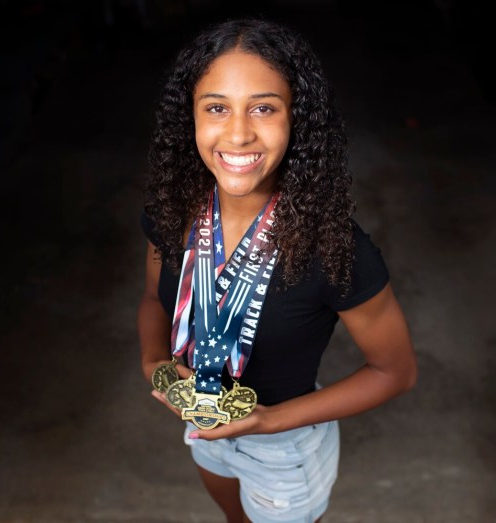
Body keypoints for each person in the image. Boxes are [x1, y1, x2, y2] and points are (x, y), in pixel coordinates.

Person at [137, 16, 417, 523]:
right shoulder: (172, 211)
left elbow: (395, 372)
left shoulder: (336, 249)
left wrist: (267, 421)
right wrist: (153, 363)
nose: (239, 134)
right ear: (190, 119)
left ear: (298, 120)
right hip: (204, 422)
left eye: (263, 108)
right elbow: (153, 300)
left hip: (284, 447)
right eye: (216, 108)